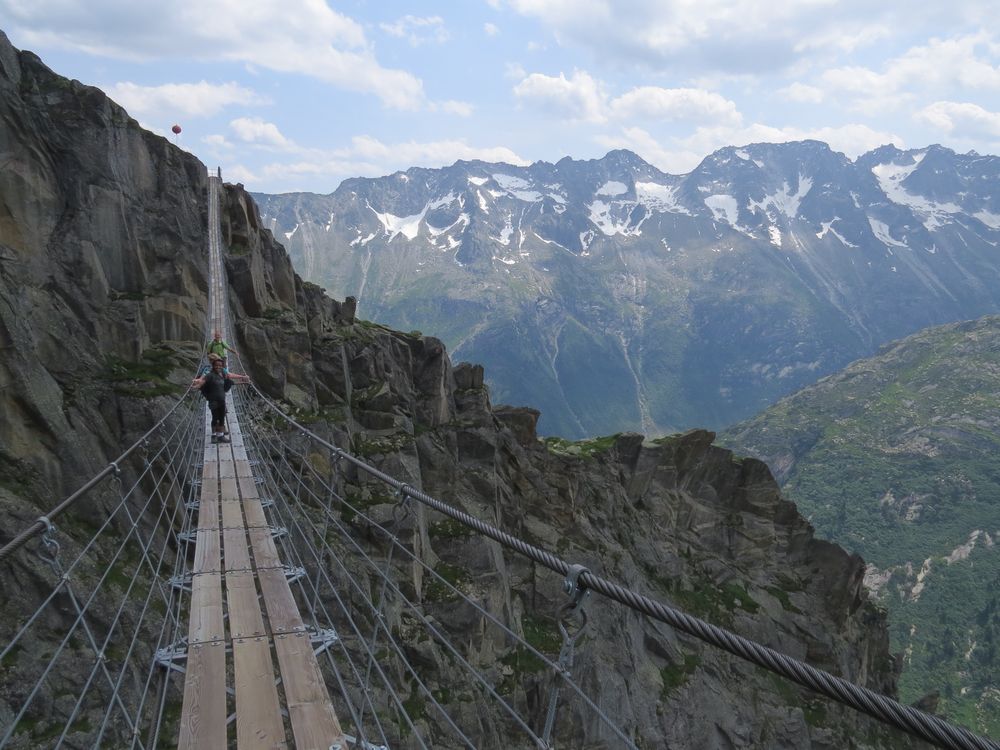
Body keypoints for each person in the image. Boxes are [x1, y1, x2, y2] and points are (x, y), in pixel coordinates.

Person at [192, 356, 245, 442]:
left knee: (221, 418)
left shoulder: (222, 375)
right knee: (214, 417)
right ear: (213, 366)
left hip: (222, 400)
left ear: (222, 366)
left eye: (220, 366)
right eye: (216, 365)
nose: (218, 367)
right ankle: (213, 436)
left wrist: (244, 381)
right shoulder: (209, 375)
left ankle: (220, 436)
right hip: (213, 400)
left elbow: (230, 382)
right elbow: (202, 382)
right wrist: (196, 386)